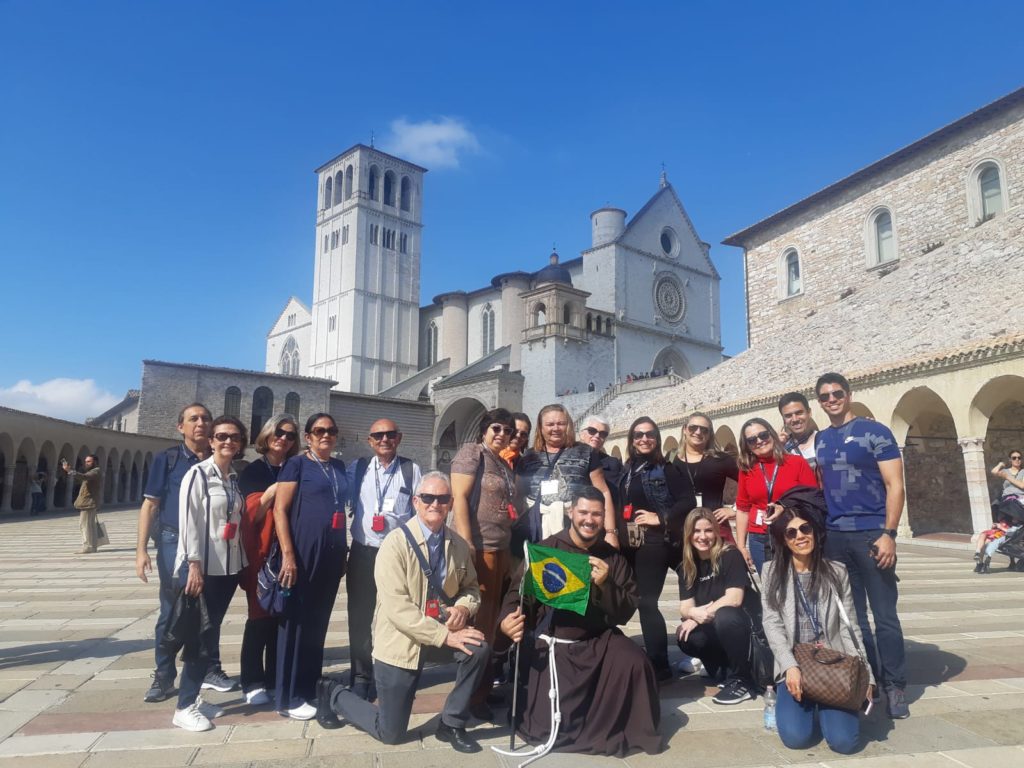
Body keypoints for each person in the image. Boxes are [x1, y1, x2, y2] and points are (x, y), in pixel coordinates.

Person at [316, 472, 488, 754]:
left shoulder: (457, 545)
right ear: (416, 502)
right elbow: (398, 609)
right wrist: (446, 635)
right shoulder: (394, 544)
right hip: (402, 641)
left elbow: (470, 587)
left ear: (450, 503)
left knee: (478, 649)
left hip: (438, 634)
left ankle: (451, 723)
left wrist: (462, 607)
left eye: (442, 498)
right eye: (428, 498)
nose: (435, 504)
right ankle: (333, 693)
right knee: (391, 733)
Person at [498, 486, 663, 756]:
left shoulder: (612, 557)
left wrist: (606, 585)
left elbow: (626, 611)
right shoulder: (547, 550)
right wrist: (508, 619)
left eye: (596, 514)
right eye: (583, 512)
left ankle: (625, 727)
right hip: (556, 639)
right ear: (571, 512)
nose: (589, 519)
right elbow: (518, 595)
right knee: (543, 723)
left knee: (636, 662)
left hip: (598, 639)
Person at [814, 372, 909, 720]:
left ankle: (895, 684)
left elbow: (895, 484)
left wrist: (889, 533)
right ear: (819, 402)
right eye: (825, 396)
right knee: (853, 618)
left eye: (837, 393)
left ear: (849, 395)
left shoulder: (875, 432)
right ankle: (869, 680)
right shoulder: (822, 439)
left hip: (871, 533)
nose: (832, 400)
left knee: (884, 615)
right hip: (836, 536)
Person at [136, 404, 236, 703]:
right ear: (181, 427)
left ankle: (210, 668)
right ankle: (164, 675)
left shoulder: (221, 459)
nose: (201, 423)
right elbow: (150, 505)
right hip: (174, 539)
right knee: (176, 605)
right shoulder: (168, 459)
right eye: (194, 419)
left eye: (206, 418)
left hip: (212, 543)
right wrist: (141, 550)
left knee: (210, 608)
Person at [761, 507, 875, 754]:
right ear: (784, 540)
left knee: (844, 743)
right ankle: (804, 703)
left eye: (805, 528)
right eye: (791, 533)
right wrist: (789, 666)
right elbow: (772, 623)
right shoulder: (772, 571)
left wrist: (866, 674)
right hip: (794, 662)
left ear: (815, 531)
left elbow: (849, 626)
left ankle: (823, 706)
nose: (800, 536)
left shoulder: (836, 571)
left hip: (832, 663)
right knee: (796, 739)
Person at [171, 416, 248, 732]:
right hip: (202, 570)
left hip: (227, 570)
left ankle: (196, 699)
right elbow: (188, 521)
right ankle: (184, 707)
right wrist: (193, 565)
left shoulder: (232, 479)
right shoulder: (198, 474)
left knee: (210, 633)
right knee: (199, 638)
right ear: (212, 441)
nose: (228, 441)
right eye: (222, 436)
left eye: (234, 437)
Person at [273, 412, 349, 719]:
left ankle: (309, 686)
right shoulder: (297, 465)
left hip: (331, 555)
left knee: (318, 622)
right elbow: (280, 510)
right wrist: (288, 554)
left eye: (331, 430)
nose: (325, 435)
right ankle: (289, 695)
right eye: (319, 431)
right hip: (302, 553)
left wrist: (343, 553)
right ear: (308, 437)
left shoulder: (338, 467)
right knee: (297, 623)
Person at [345, 418, 422, 701]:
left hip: (398, 555)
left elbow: (421, 512)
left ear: (399, 438)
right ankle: (361, 676)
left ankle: (394, 673)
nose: (384, 440)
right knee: (360, 616)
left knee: (399, 614)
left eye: (390, 434)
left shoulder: (411, 470)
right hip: (363, 552)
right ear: (370, 441)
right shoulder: (359, 469)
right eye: (378, 436)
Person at [616, 416, 694, 681]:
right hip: (633, 542)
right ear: (632, 439)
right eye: (638, 435)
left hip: (656, 541)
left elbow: (688, 501)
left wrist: (660, 517)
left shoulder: (666, 468)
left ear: (657, 439)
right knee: (639, 601)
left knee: (647, 602)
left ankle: (660, 665)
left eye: (649, 434)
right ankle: (652, 659)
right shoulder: (629, 468)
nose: (644, 439)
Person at [450, 407, 516, 718]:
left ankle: (482, 692)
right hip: (481, 548)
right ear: (485, 430)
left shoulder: (501, 461)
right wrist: (468, 544)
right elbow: (460, 497)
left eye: (507, 430)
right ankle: (470, 699)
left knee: (489, 625)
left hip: (500, 549)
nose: (502, 434)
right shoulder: (472, 453)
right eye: (497, 428)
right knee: (478, 626)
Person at [237, 414, 301, 705]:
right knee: (259, 616)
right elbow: (250, 515)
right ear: (267, 435)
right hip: (262, 553)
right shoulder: (254, 471)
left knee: (282, 616)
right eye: (279, 433)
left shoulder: (296, 467)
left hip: (290, 551)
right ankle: (252, 680)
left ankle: (276, 676)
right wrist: (274, 491)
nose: (283, 439)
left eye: (290, 435)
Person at [676, 508, 757, 704]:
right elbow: (685, 607)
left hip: (742, 626)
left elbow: (734, 598)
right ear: (688, 534)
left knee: (725, 616)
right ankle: (723, 669)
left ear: (716, 532)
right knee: (685, 635)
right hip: (714, 627)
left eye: (708, 530)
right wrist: (692, 614)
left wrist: (700, 615)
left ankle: (742, 680)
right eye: (697, 531)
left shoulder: (730, 555)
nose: (703, 536)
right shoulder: (687, 566)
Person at [515, 404, 616, 550]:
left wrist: (611, 532)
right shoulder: (528, 457)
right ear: (541, 428)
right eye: (550, 424)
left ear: (568, 426)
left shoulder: (586, 452)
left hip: (576, 527)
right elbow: (519, 495)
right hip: (535, 526)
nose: (556, 428)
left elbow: (603, 491)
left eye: (561, 423)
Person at [735, 418, 817, 574]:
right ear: (747, 445)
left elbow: (812, 499)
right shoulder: (747, 469)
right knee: (769, 585)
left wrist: (785, 507)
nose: (759, 441)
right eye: (752, 440)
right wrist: (741, 546)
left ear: (772, 435)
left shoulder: (796, 462)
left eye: (763, 435)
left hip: (793, 533)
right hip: (760, 538)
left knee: (799, 582)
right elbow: (743, 508)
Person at [672, 412, 739, 541]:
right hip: (685, 528)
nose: (698, 432)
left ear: (709, 435)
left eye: (704, 430)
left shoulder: (721, 459)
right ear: (685, 429)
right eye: (693, 427)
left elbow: (749, 483)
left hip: (715, 526)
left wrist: (734, 509)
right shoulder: (675, 460)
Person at [63, 454, 102, 554]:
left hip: (88, 503)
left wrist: (70, 471)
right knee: (90, 525)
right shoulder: (93, 472)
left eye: (89, 461)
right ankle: (92, 546)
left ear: (95, 462)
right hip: (89, 502)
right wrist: (71, 470)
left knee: (84, 525)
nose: (86, 463)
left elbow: (84, 477)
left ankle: (87, 546)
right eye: (86, 461)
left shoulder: (95, 471)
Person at [581, 416, 623, 506]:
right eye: (592, 431)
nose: (597, 436)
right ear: (582, 434)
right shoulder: (568, 459)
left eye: (603, 434)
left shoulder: (613, 464)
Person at [778, 392, 819, 472]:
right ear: (784, 419)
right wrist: (777, 448)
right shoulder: (784, 450)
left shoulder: (825, 440)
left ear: (809, 413)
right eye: (788, 416)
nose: (795, 419)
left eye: (799, 413)